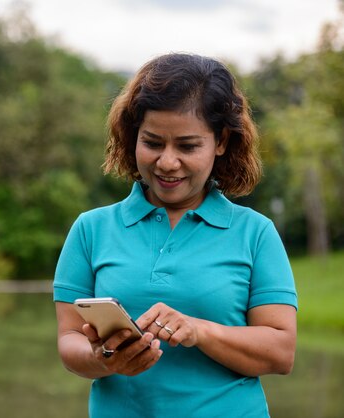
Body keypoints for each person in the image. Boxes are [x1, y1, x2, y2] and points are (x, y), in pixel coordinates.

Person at [53, 53, 297, 418]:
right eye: (152, 143)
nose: (167, 162)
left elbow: (281, 352)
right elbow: (69, 342)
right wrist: (106, 359)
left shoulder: (255, 233)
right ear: (132, 136)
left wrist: (198, 330)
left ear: (221, 142)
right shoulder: (91, 229)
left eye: (187, 146)